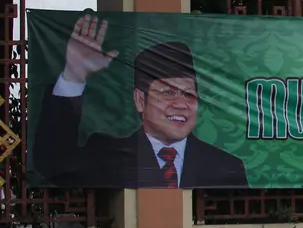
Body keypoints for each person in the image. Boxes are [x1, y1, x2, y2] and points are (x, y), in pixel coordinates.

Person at [34, 14, 249, 189]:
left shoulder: (226, 166)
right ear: (139, 100)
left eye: (189, 94)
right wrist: (74, 74)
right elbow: (54, 166)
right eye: (168, 92)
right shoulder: (107, 154)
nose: (180, 103)